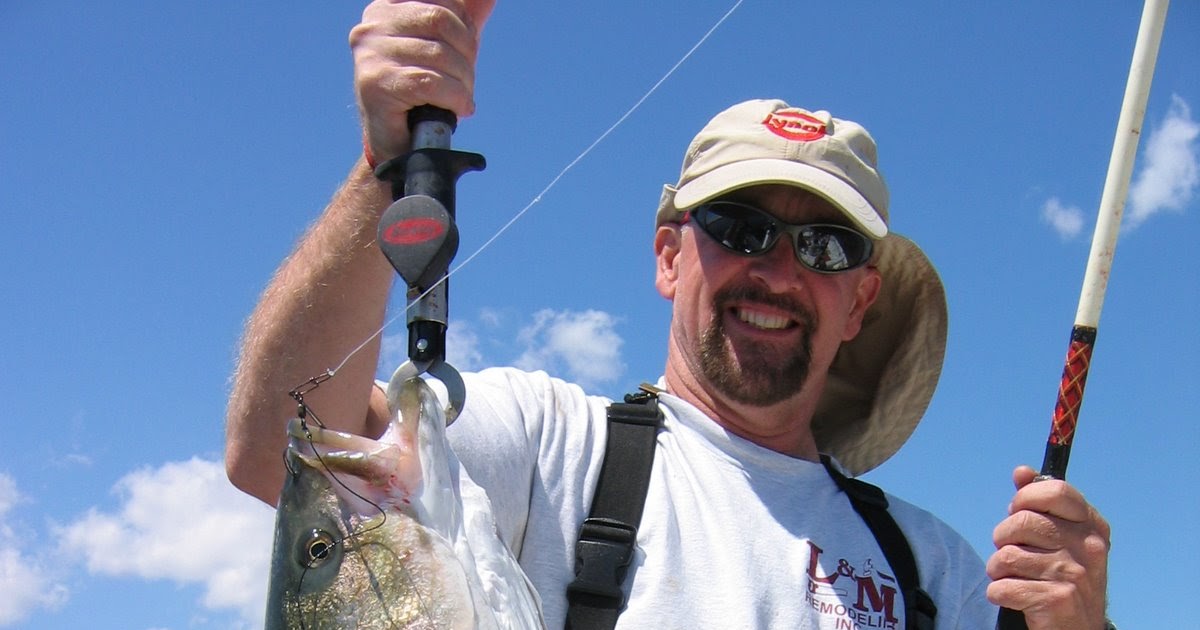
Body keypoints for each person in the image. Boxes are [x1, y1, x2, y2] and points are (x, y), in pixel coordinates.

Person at [225, 2, 1112, 628]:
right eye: (741, 227)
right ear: (668, 255)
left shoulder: (939, 574)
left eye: (827, 248)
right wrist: (384, 159)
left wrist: (1082, 627)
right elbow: (283, 447)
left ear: (861, 303)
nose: (779, 271)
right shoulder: (550, 446)